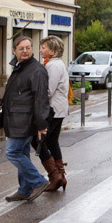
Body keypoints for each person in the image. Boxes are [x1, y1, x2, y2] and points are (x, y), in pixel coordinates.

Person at [1, 34, 51, 202]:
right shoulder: (20, 67)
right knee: (21, 152)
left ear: (32, 49)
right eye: (21, 48)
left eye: (28, 48)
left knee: (13, 152)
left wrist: (41, 125)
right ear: (14, 51)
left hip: (25, 120)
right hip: (16, 119)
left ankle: (38, 181)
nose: (25, 51)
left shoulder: (36, 70)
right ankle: (25, 189)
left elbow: (41, 99)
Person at [39, 35, 69, 192]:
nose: (40, 50)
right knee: (51, 142)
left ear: (52, 50)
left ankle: (55, 176)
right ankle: (60, 176)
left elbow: (48, 90)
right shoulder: (52, 64)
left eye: (43, 47)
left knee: (41, 142)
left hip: (54, 110)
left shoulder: (54, 66)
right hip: (57, 109)